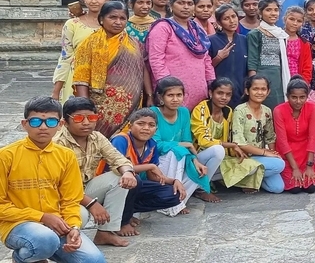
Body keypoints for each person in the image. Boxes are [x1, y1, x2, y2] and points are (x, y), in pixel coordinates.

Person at [0, 96, 107, 263]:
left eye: (51, 122)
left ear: (60, 125)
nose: (43, 127)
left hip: (56, 225)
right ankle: (23, 257)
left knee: (94, 261)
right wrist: (41, 216)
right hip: (16, 224)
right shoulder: (6, 156)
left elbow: (71, 200)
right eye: (36, 122)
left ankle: (41, 251)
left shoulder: (66, 156)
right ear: (24, 124)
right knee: (44, 240)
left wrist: (73, 227)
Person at [53, 97, 137, 247]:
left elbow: (118, 159)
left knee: (120, 177)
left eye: (91, 117)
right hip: (61, 198)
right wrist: (91, 203)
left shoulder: (96, 137)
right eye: (79, 118)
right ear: (65, 121)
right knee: (82, 216)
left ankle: (105, 233)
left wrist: (128, 172)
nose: (86, 123)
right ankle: (62, 240)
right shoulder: (58, 144)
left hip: (85, 189)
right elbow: (60, 187)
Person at [72, 1, 153, 138]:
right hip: (100, 106)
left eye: (122, 18)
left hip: (131, 105)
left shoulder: (134, 43)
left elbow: (143, 69)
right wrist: (85, 107)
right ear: (102, 19)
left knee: (124, 142)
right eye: (112, 17)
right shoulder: (89, 44)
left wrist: (149, 95)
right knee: (99, 141)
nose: (118, 22)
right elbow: (81, 77)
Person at [151, 77, 224, 216]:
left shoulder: (184, 112)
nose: (175, 99)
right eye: (170, 95)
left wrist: (195, 161)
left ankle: (183, 197)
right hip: (160, 164)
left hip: (181, 158)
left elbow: (188, 142)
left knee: (217, 151)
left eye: (179, 95)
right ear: (161, 97)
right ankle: (170, 201)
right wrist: (182, 145)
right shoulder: (154, 112)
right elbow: (156, 145)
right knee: (175, 151)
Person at [107, 108, 186, 237]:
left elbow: (152, 176)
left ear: (156, 129)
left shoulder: (151, 144)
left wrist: (174, 181)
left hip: (133, 186)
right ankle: (122, 221)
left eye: (151, 125)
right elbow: (118, 168)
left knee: (173, 194)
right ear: (130, 125)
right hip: (113, 185)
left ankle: (126, 211)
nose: (146, 128)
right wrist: (149, 166)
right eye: (141, 123)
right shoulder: (121, 140)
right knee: (134, 179)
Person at [147, 0, 215, 111]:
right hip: (173, 91)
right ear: (171, 5)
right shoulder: (163, 27)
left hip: (198, 88)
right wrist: (167, 86)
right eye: (181, 3)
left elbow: (206, 58)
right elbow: (156, 59)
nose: (186, 7)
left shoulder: (197, 29)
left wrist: (211, 82)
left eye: (189, 4)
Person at [190, 78, 261, 193]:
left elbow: (230, 137)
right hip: (198, 157)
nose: (224, 97)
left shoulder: (228, 112)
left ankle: (210, 179)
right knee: (218, 150)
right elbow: (203, 140)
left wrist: (238, 152)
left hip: (220, 157)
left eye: (228, 94)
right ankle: (201, 189)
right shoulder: (202, 109)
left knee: (251, 166)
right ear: (210, 93)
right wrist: (231, 145)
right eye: (220, 93)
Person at [53, 0, 112, 103]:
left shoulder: (113, 24)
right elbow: (65, 57)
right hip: (75, 80)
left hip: (108, 80)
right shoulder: (73, 24)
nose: (94, 1)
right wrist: (56, 91)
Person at [231, 75, 286, 193]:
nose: (259, 92)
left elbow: (270, 137)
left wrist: (274, 153)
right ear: (247, 91)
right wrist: (267, 153)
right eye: (255, 89)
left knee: (277, 188)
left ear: (268, 91)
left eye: (263, 89)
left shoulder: (267, 111)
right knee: (279, 165)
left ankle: (250, 181)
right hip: (243, 158)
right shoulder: (240, 110)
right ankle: (243, 178)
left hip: (260, 158)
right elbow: (239, 143)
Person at [273, 77, 315, 193]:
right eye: (294, 97)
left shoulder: (312, 108)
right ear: (287, 96)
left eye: (302, 97)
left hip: (306, 154)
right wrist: (294, 168)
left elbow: (313, 137)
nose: (298, 101)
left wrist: (309, 166)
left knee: (312, 188)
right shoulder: (278, 110)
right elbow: (282, 140)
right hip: (287, 155)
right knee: (295, 188)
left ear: (307, 96)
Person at [248, 0, 290, 109]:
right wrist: (253, 83)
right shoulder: (255, 34)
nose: (273, 13)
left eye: (276, 10)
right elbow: (252, 60)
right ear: (260, 12)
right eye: (268, 10)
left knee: (278, 106)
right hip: (262, 75)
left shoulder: (281, 34)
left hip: (278, 76)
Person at [208, 4, 248, 107]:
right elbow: (205, 67)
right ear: (219, 22)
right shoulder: (211, 40)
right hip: (220, 93)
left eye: (233, 16)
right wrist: (219, 58)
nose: (232, 21)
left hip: (241, 93)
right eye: (226, 18)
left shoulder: (244, 40)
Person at [283, 6, 313, 84]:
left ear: (302, 23)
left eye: (299, 21)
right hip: (279, 80)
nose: (295, 23)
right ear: (285, 19)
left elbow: (307, 68)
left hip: (296, 82)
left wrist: (303, 84)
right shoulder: (277, 38)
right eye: (291, 19)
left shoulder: (304, 43)